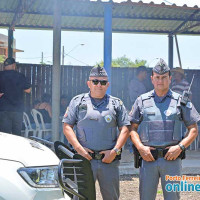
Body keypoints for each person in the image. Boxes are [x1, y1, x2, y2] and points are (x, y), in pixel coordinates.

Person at [129, 59, 200, 200]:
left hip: (172, 158)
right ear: (152, 79)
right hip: (148, 158)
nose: (160, 81)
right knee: (146, 197)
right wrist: (141, 148)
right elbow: (132, 129)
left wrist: (180, 147)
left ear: (170, 78)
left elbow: (193, 129)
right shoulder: (141, 100)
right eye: (157, 77)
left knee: (172, 197)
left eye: (164, 77)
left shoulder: (181, 101)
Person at [62, 65, 130, 200]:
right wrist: (79, 149)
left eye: (103, 82)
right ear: (89, 83)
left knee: (112, 197)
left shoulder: (116, 104)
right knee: (81, 197)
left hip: (109, 161)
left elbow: (125, 129)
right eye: (95, 81)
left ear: (108, 84)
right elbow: (67, 126)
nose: (99, 85)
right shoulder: (77, 102)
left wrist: (115, 151)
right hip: (84, 160)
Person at [0, 58, 31, 136]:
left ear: (5, 66)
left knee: (4, 135)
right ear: (14, 65)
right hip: (17, 110)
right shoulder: (20, 76)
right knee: (17, 136)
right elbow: (28, 90)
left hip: (3, 109)